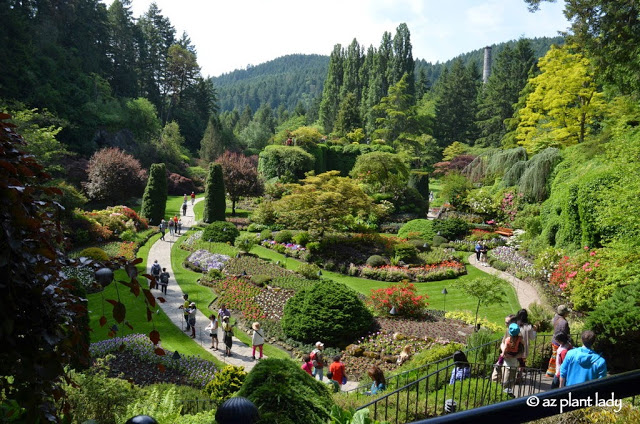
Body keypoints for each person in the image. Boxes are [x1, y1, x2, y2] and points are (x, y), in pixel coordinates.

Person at [547, 305, 571, 377]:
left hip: (555, 340)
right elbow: (564, 334)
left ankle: (551, 372)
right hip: (560, 342)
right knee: (558, 358)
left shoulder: (556, 317)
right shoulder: (564, 322)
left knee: (554, 356)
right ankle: (554, 373)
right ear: (564, 313)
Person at [501, 323, 524, 396]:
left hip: (511, 363)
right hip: (511, 363)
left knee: (507, 381)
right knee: (508, 381)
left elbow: (504, 349)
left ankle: (507, 394)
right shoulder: (520, 340)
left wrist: (503, 355)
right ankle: (507, 394)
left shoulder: (508, 340)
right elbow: (521, 353)